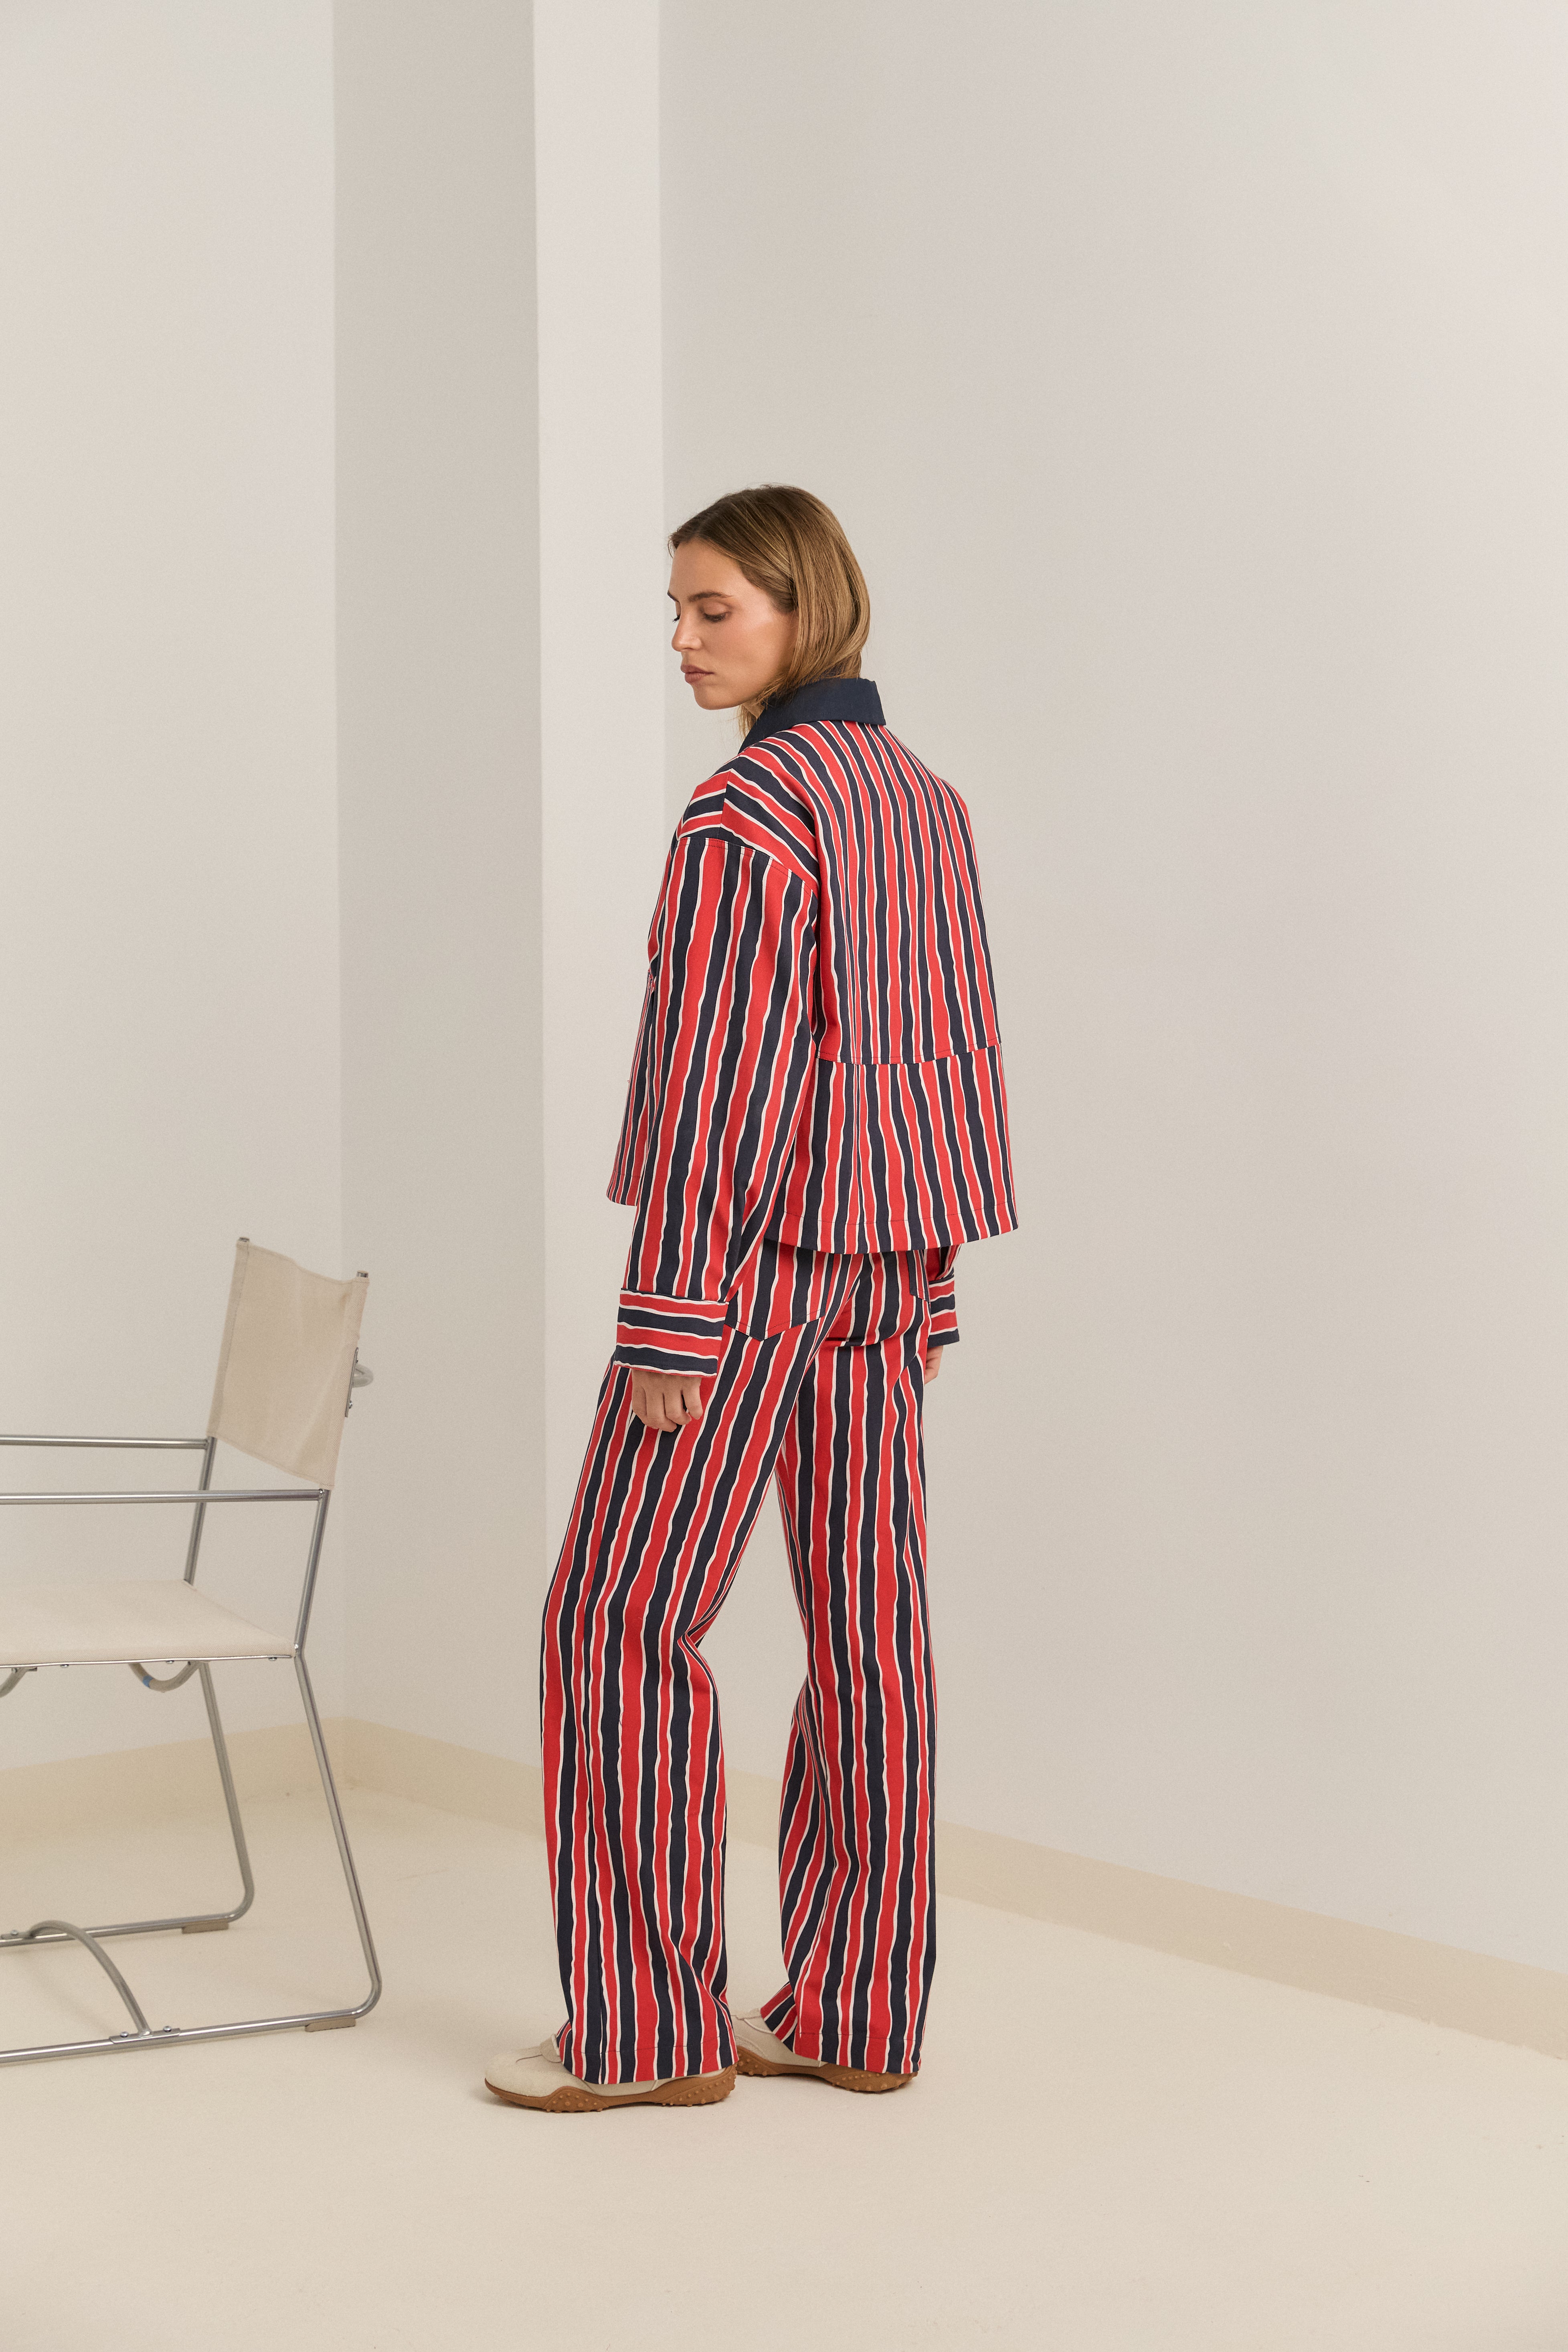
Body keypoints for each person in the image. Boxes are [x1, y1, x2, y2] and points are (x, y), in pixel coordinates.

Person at [485, 485, 1016, 2113]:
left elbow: (716, 1091)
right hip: (883, 1282)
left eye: (715, 608)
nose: (684, 639)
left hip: (743, 1287)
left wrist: (670, 1316)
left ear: (805, 606)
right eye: (677, 609)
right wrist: (927, 1290)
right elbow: (947, 1055)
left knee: (615, 1624)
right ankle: (857, 2012)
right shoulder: (926, 802)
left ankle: (644, 2033)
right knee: (873, 1641)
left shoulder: (748, 815)